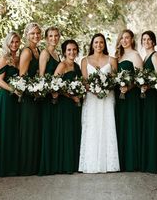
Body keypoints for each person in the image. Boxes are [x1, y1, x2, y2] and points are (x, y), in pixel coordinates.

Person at [79, 33, 120, 173]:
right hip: (91, 97)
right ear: (92, 44)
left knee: (107, 124)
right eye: (96, 42)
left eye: (101, 42)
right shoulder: (85, 60)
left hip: (107, 97)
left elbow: (115, 80)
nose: (98, 45)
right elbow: (85, 81)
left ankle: (108, 163)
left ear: (104, 44)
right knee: (92, 126)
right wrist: (94, 90)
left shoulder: (112, 60)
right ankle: (91, 163)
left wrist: (105, 88)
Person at [0, 31, 21, 176]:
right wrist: (13, 90)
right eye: (12, 42)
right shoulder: (4, 58)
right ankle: (4, 167)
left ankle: (13, 166)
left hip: (16, 98)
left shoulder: (18, 57)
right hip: (6, 97)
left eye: (17, 42)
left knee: (14, 130)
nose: (14, 45)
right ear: (7, 43)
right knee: (6, 129)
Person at [115, 29, 143, 171]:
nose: (124, 40)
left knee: (130, 125)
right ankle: (121, 161)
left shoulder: (135, 55)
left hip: (131, 96)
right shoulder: (118, 57)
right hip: (119, 97)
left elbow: (140, 78)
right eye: (122, 38)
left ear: (132, 40)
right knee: (121, 124)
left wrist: (129, 87)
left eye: (127, 38)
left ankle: (132, 161)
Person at [53, 39, 82, 173]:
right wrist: (70, 96)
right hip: (64, 104)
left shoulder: (76, 66)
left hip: (75, 105)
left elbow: (82, 84)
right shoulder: (62, 66)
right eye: (69, 50)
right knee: (66, 132)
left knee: (74, 131)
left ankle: (74, 163)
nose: (72, 52)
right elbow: (54, 86)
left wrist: (80, 96)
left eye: (74, 49)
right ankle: (65, 165)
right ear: (64, 52)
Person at [19, 22, 42, 175]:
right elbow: (22, 76)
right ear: (27, 35)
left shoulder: (38, 50)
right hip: (29, 96)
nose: (35, 36)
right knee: (29, 129)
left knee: (36, 129)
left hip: (38, 95)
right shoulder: (27, 52)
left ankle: (34, 165)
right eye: (32, 33)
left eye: (38, 33)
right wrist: (33, 90)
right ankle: (27, 167)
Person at [38, 27, 60, 175]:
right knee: (47, 129)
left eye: (56, 36)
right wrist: (51, 90)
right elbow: (41, 77)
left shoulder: (57, 54)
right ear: (46, 38)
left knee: (53, 129)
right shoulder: (45, 53)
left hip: (56, 95)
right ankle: (45, 166)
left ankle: (54, 164)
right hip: (47, 97)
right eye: (51, 36)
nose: (54, 38)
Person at [140, 30, 157, 173]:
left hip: (153, 97)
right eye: (144, 39)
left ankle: (154, 163)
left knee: (153, 126)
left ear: (153, 41)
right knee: (147, 126)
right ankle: (148, 161)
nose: (146, 42)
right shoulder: (145, 56)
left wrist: (149, 85)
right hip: (147, 97)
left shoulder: (155, 56)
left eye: (149, 39)